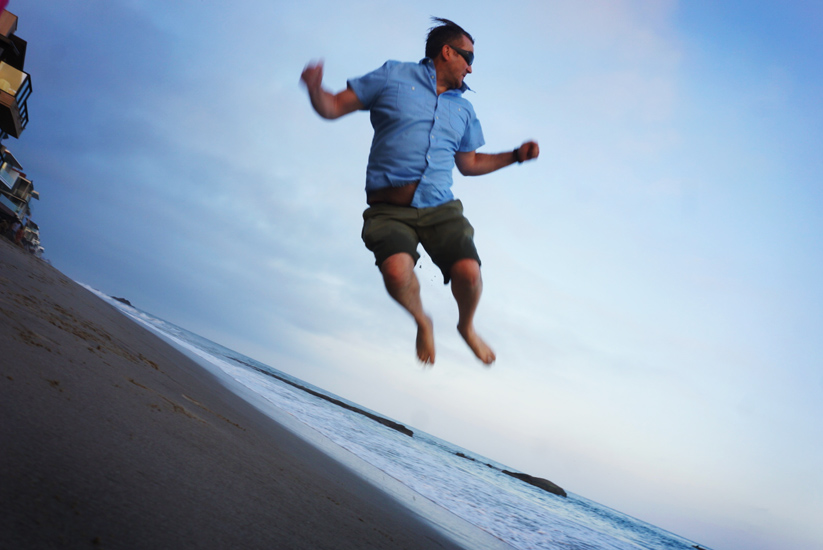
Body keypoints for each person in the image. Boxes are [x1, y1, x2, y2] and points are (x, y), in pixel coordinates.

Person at [300, 17, 539, 366]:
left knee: (469, 273)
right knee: (396, 272)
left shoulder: (463, 110)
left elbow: (469, 164)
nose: (471, 69)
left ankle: (466, 326)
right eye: (468, 58)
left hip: (439, 207)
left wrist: (515, 156)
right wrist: (315, 89)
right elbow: (334, 106)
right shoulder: (393, 76)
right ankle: (422, 320)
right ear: (447, 52)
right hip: (388, 209)